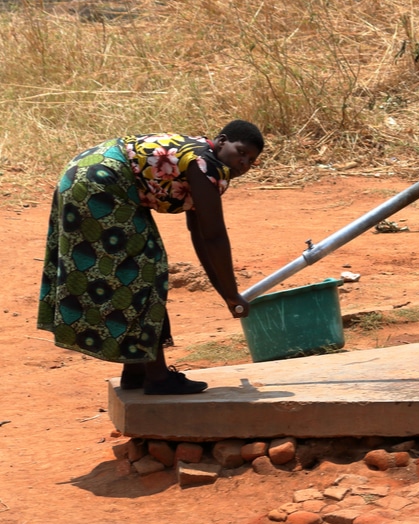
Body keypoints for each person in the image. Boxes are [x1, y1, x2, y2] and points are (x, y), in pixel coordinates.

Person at [37, 120, 265, 395]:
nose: (243, 163)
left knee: (136, 270)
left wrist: (228, 294)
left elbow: (201, 235)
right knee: (145, 269)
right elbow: (215, 236)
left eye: (251, 161)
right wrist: (231, 294)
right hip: (101, 183)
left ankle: (136, 369)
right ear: (222, 140)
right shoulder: (205, 166)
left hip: (84, 175)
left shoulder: (200, 162)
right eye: (241, 152)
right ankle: (156, 377)